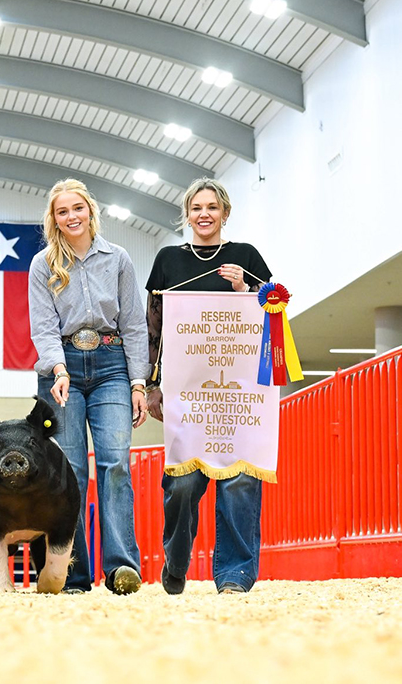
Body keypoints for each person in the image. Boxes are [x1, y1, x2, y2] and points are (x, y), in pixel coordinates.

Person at [144, 177, 272, 595]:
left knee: (240, 481)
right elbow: (153, 327)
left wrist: (245, 289)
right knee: (183, 484)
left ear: (225, 213)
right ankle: (177, 559)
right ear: (187, 213)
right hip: (186, 395)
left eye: (212, 207)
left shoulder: (246, 257)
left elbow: (270, 320)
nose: (204, 214)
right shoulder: (168, 259)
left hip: (238, 394)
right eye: (197, 207)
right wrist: (152, 384)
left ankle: (235, 576)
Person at [28, 179, 149, 595]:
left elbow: (134, 324)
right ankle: (73, 574)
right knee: (70, 470)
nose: (71, 217)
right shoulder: (42, 264)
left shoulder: (118, 259)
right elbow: (43, 326)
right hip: (61, 367)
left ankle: (121, 568)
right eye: (62, 211)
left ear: (90, 211)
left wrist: (138, 381)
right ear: (54, 219)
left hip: (112, 365)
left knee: (115, 463)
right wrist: (58, 370)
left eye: (77, 208)